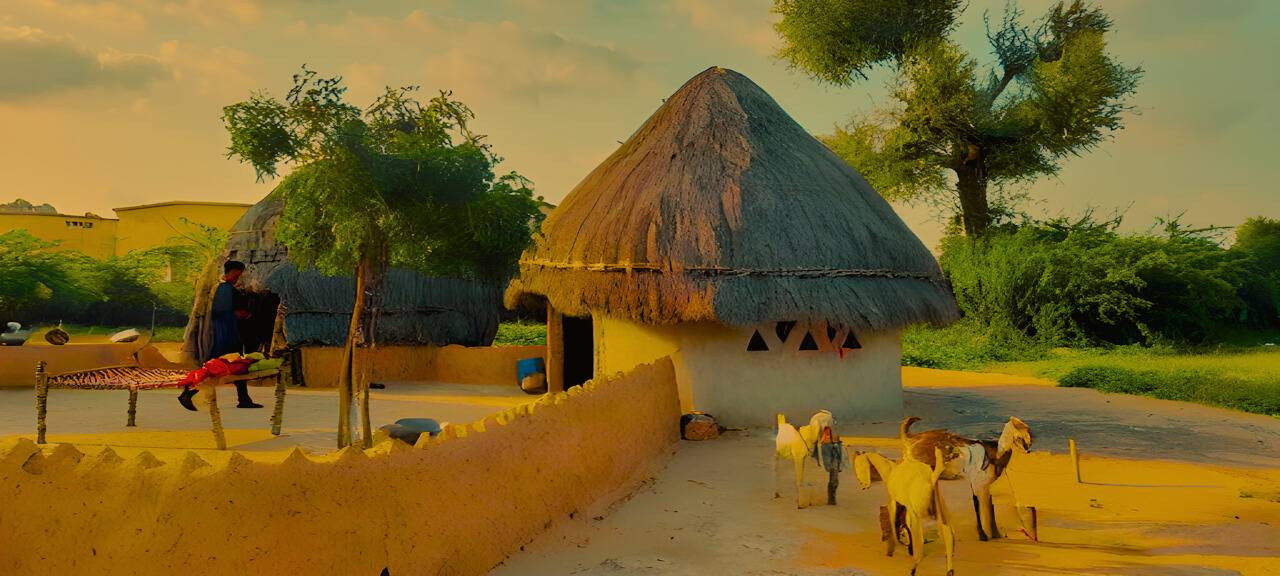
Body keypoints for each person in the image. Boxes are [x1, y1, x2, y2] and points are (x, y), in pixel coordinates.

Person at [178, 260, 263, 410]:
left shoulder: (227, 287)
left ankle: (244, 398)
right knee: (216, 368)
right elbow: (221, 312)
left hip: (229, 333)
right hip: (225, 335)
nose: (239, 277)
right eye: (238, 274)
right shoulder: (224, 288)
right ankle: (188, 392)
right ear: (232, 271)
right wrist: (240, 314)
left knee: (236, 366)